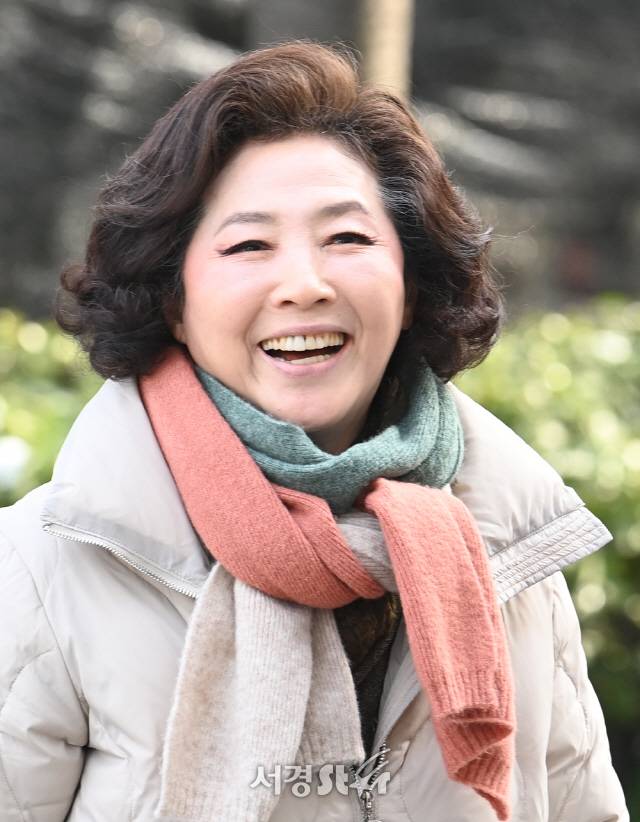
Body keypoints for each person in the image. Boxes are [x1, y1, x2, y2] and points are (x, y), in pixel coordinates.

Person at [0, 41, 629, 822]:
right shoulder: (45, 568)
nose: (304, 284)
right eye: (249, 246)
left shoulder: (509, 548)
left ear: (410, 286)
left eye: (348, 239)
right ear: (174, 302)